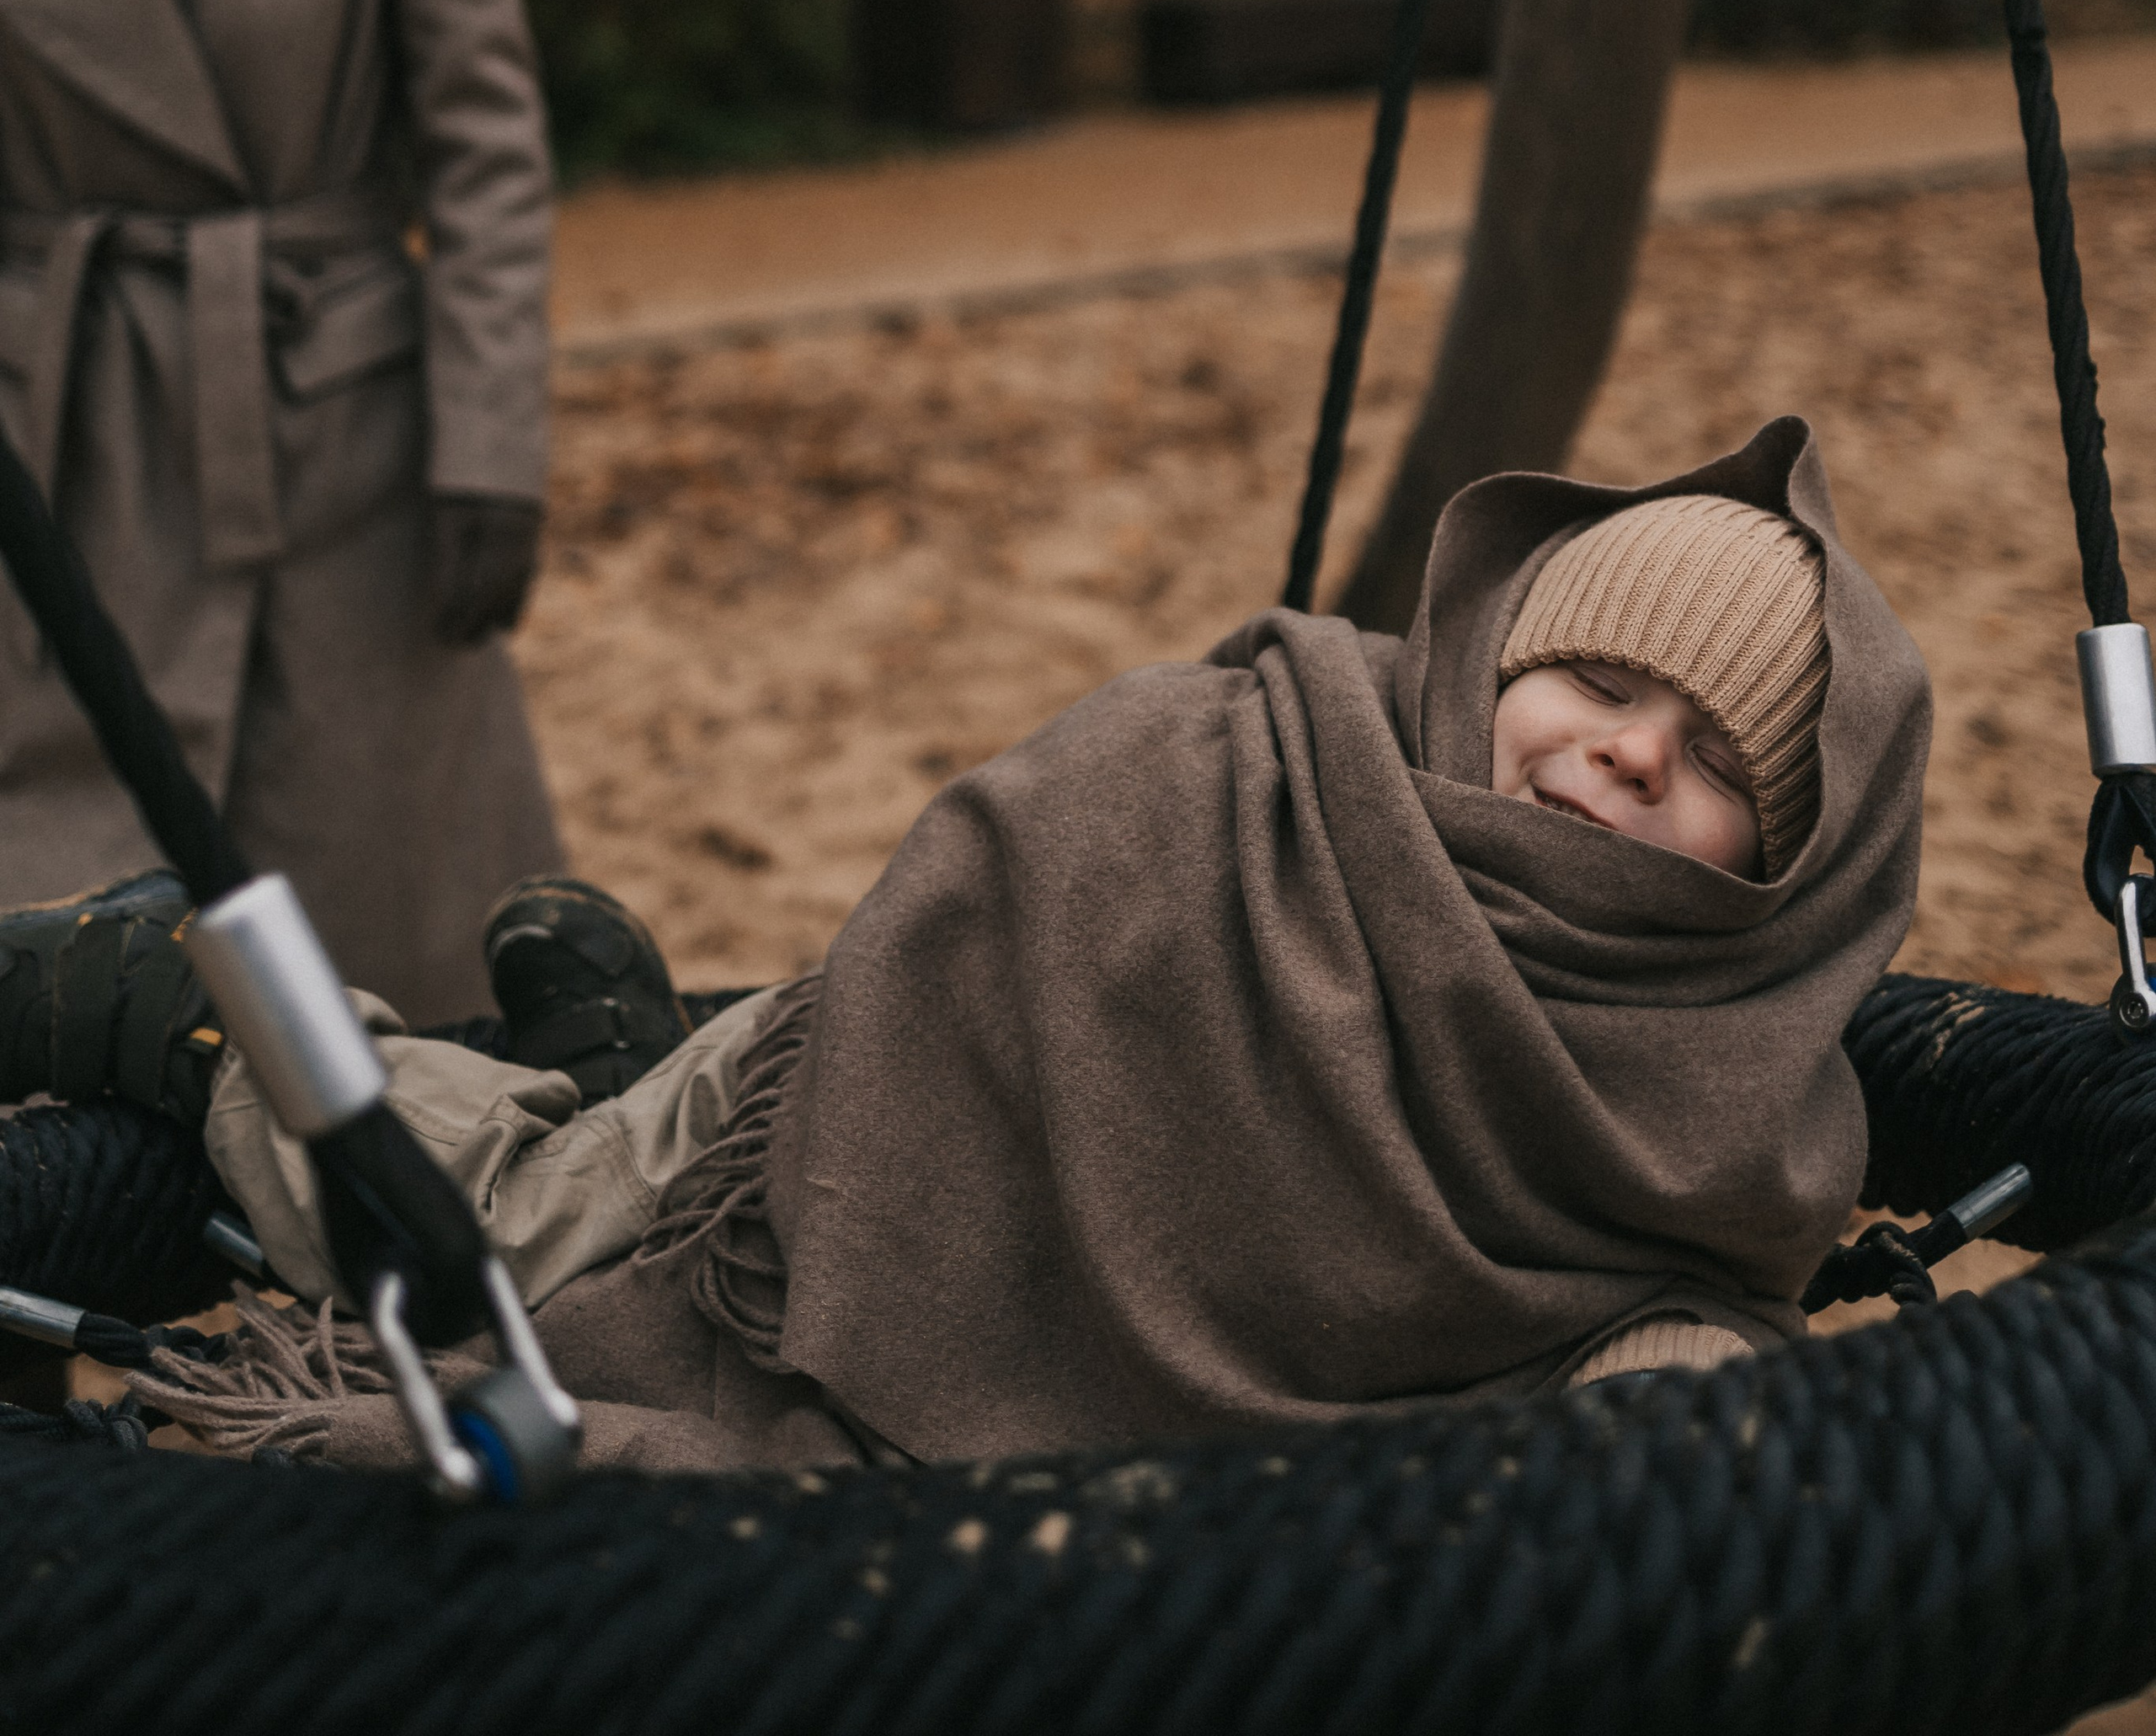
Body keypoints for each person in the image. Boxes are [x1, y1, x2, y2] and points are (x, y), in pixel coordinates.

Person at [0, 415, 1931, 1472]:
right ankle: (185, 999)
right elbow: (1009, 873)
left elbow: (1686, 1320)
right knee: (495, 1239)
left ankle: (600, 1050)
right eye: (1591, 679)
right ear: (1498, 655)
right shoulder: (1261, 765)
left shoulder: (1726, 1088)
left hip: (931, 1226)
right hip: (821, 1154)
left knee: (591, 1159)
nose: (1614, 752)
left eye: (1704, 771)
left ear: (1782, 876)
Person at [0, 0, 559, 1020]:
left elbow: (482, 142)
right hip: (59, 441)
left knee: (408, 972)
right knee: (69, 970)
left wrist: (490, 444)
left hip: (342, 446)